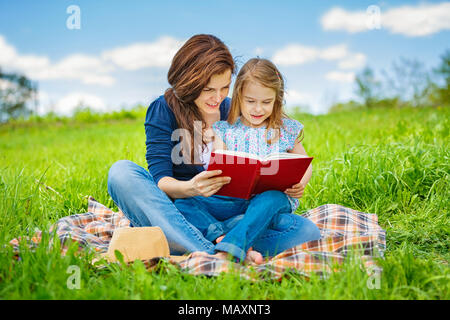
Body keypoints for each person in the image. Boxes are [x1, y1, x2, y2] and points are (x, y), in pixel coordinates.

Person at [107, 35, 319, 263]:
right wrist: (191, 187)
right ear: (189, 83)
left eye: (225, 88)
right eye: (209, 89)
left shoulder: (235, 111)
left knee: (306, 231)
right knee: (121, 173)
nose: (218, 97)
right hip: (184, 209)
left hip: (234, 212)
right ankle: (218, 252)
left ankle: (216, 242)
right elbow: (162, 181)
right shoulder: (163, 109)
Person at [174, 58, 321, 262]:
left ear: (276, 100)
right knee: (183, 204)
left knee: (299, 224)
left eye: (266, 102)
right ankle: (235, 236)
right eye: (250, 101)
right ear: (238, 98)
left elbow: (305, 163)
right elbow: (220, 162)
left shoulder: (286, 129)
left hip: (269, 204)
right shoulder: (225, 130)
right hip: (232, 202)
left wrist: (300, 184)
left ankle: (227, 243)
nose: (258, 109)